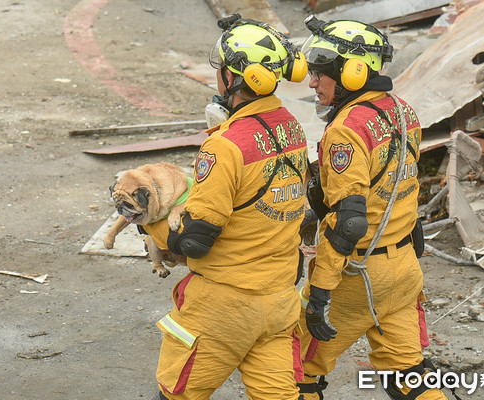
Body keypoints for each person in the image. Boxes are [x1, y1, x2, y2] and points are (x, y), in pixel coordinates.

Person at [151, 14, 310, 400]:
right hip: (279, 301)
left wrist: (149, 220)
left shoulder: (226, 144)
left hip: (224, 306)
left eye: (221, 70)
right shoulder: (292, 127)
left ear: (235, 77)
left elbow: (194, 241)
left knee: (177, 395)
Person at [295, 16, 449, 400]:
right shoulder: (402, 110)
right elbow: (399, 188)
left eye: (320, 73)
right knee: (409, 377)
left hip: (357, 275)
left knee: (290, 370)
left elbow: (348, 222)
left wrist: (320, 293)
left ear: (352, 71)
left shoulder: (346, 129)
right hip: (403, 270)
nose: (312, 82)